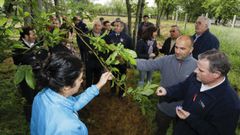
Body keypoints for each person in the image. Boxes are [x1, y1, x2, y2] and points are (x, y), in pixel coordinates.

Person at [156, 49, 240, 135]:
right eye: (197, 67)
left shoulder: (229, 104)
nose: (195, 71)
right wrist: (167, 91)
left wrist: (190, 118)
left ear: (216, 74)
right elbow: (183, 87)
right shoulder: (197, 77)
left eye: (201, 70)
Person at [30, 52, 113, 134]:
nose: (82, 81)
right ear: (66, 87)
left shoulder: (42, 96)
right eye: (80, 78)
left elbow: (74, 103)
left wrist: (99, 84)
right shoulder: (68, 128)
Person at [136, 35, 197, 135]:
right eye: (176, 47)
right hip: (164, 108)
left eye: (182, 48)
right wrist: (129, 60)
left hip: (184, 111)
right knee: (160, 130)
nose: (177, 51)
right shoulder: (166, 60)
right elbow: (147, 64)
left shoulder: (197, 66)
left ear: (191, 49)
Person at [12, 26, 48, 122]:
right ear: (26, 36)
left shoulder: (37, 43)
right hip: (26, 76)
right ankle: (31, 120)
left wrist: (36, 57)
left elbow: (44, 54)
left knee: (39, 94)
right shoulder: (18, 46)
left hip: (38, 73)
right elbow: (17, 60)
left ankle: (40, 116)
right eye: (32, 34)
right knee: (29, 98)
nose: (35, 36)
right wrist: (34, 57)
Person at [109, 20, 133, 97]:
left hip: (122, 62)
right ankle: (112, 91)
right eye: (114, 26)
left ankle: (121, 92)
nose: (115, 27)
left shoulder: (127, 38)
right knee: (113, 76)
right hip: (113, 62)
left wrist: (125, 58)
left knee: (122, 77)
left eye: (117, 26)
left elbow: (131, 50)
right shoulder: (109, 36)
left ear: (122, 27)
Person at [84, 20, 109, 88]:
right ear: (93, 26)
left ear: (102, 27)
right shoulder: (87, 35)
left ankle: (95, 90)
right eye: (95, 25)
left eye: (99, 25)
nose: (97, 27)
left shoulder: (105, 36)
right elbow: (83, 46)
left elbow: (107, 48)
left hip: (99, 60)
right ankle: (87, 90)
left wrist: (105, 60)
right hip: (89, 60)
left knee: (97, 76)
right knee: (89, 76)